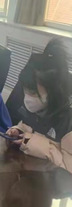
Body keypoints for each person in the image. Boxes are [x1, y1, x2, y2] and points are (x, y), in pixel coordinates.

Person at [6, 39, 72, 173]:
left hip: (54, 182)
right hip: (30, 172)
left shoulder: (67, 122)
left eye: (32, 93)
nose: (27, 98)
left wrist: (33, 143)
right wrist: (18, 131)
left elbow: (68, 167)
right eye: (25, 91)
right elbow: (27, 127)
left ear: (53, 93)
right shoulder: (37, 108)